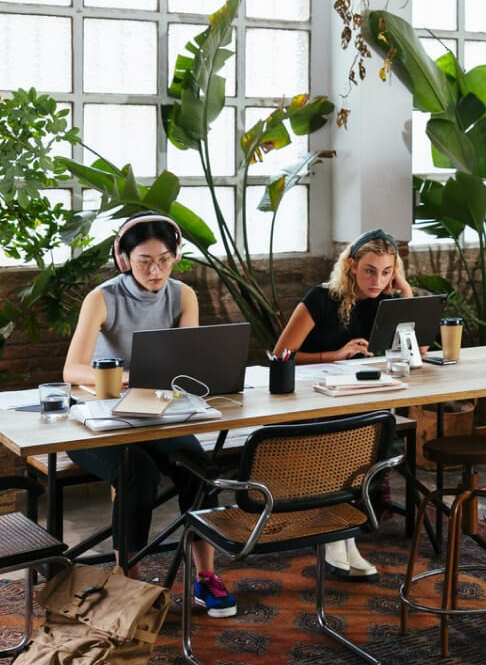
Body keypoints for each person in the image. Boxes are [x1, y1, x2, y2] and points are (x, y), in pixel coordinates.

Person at [63, 213, 238, 617]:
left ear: (176, 256)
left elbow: (188, 361)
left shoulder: (183, 296)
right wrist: (125, 377)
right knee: (136, 472)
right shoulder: (102, 298)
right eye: (143, 260)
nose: (155, 270)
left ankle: (205, 578)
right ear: (123, 259)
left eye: (164, 258)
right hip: (97, 418)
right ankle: (130, 583)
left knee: (198, 467)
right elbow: (72, 369)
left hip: (156, 414)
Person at [272, 228, 412, 580]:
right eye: (369, 270)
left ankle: (344, 537)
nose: (377, 280)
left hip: (359, 398)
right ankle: (339, 537)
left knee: (371, 431)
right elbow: (281, 354)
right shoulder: (321, 298)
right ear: (351, 265)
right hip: (313, 401)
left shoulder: (387, 299)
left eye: (386, 271)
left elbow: (419, 352)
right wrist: (333, 355)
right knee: (352, 434)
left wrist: (406, 292)